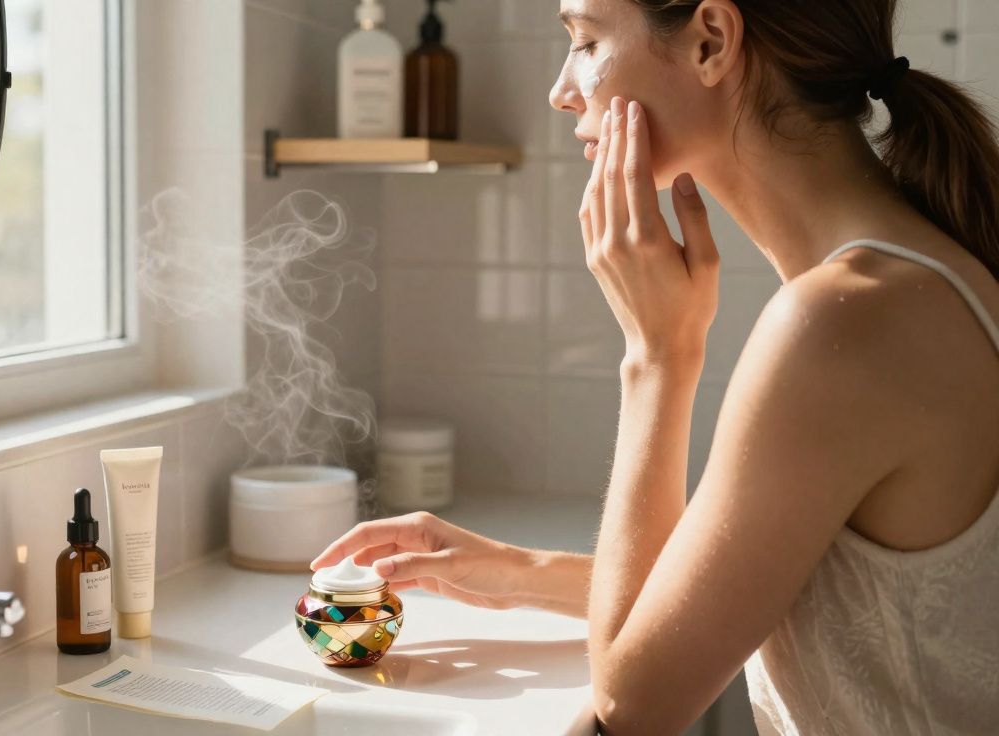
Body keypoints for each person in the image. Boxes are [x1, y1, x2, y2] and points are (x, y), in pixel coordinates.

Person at [311, 1, 999, 733]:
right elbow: (760, 585)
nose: (561, 88)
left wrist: (658, 356)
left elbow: (630, 708)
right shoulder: (900, 284)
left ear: (711, 40)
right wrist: (519, 574)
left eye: (584, 40)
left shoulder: (846, 321)